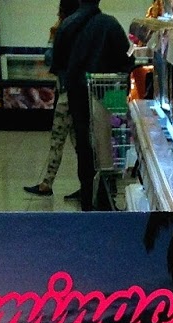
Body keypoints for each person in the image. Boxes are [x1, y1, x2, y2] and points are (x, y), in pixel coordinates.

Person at [49, 0, 131, 211]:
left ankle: (87, 197)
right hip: (109, 94)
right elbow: (126, 59)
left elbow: (57, 63)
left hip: (78, 94)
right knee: (109, 146)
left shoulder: (67, 25)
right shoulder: (110, 24)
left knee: (84, 146)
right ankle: (105, 197)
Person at [24, 0, 82, 199]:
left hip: (66, 95)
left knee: (57, 139)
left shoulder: (63, 30)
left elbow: (50, 58)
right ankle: (88, 183)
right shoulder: (83, 28)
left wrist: (52, 38)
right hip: (79, 93)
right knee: (79, 143)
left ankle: (46, 185)